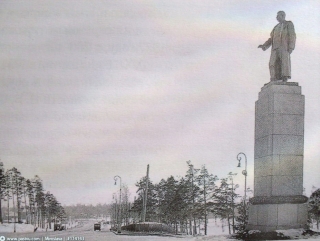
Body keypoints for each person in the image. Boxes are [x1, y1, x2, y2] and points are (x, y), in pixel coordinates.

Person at [258, 11, 296, 82]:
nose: (276, 17)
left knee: (284, 62)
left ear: (282, 16)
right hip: (275, 48)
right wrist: (264, 46)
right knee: (272, 63)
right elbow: (271, 39)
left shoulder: (288, 24)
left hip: (284, 47)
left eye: (278, 16)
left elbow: (292, 35)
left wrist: (291, 47)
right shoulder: (276, 27)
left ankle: (285, 77)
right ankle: (273, 78)